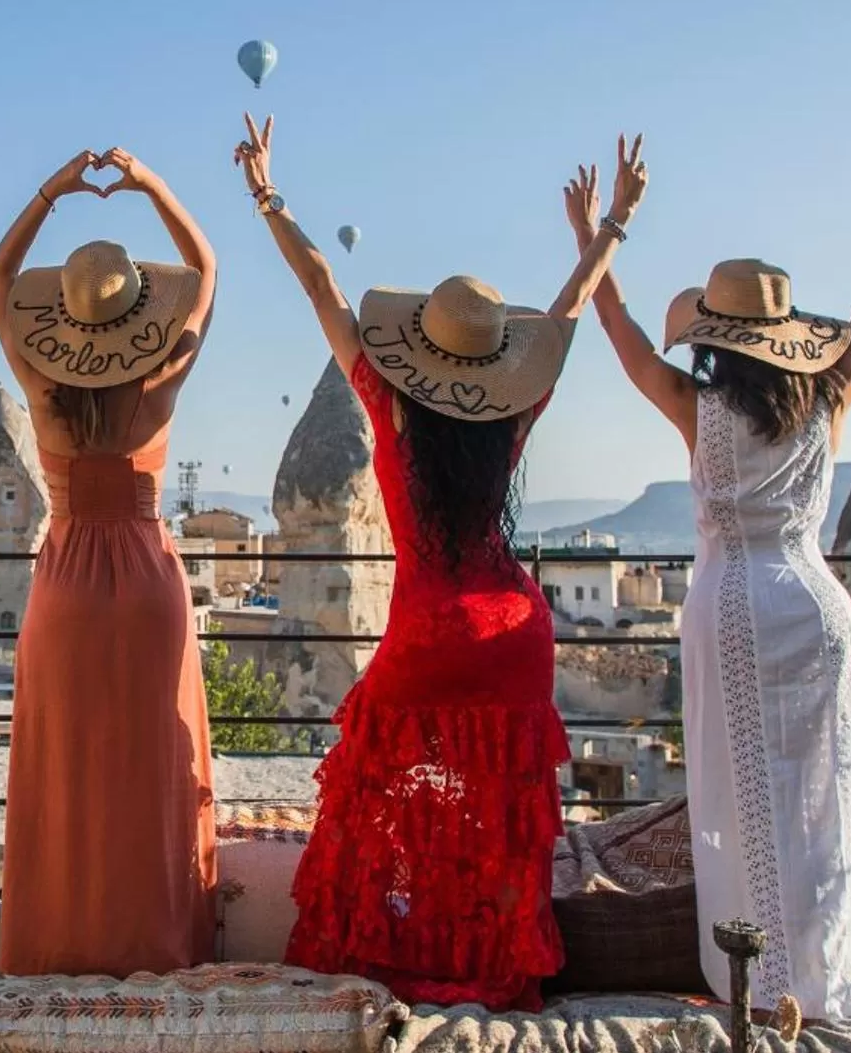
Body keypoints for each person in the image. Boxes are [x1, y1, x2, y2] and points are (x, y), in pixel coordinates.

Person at [573, 125, 851, 1020]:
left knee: (739, 798)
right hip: (815, 605)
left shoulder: (697, 405)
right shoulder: (830, 397)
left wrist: (600, 235)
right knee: (827, 793)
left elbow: (615, 331)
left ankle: (758, 980)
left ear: (716, 337)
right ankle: (827, 970)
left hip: (729, 605)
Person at [240, 115, 645, 1007]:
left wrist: (269, 196)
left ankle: (399, 962)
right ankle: (485, 968)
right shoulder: (510, 418)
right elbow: (568, 318)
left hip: (428, 630)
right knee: (494, 812)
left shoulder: (386, 409)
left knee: (384, 801)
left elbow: (321, 286)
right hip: (512, 628)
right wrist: (608, 227)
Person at [0, 145, 220, 975]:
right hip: (149, 587)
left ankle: (61, 946)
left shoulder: (42, 397)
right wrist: (152, 182)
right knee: (150, 766)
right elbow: (205, 267)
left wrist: (53, 188)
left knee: (68, 768)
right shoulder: (158, 393)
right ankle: (153, 946)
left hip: (66, 590)